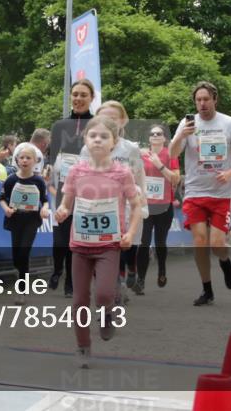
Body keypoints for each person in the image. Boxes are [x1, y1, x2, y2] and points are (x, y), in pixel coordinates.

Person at [55, 116, 143, 369]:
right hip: (80, 245)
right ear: (85, 140)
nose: (97, 140)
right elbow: (66, 203)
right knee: (79, 300)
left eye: (104, 136)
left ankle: (107, 313)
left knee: (104, 294)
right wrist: (61, 211)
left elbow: (136, 206)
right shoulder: (76, 171)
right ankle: (83, 346)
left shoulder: (122, 172)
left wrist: (130, 233)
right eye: (93, 135)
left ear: (114, 142)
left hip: (108, 244)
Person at [169, 81, 231, 306]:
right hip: (194, 191)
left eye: (206, 99)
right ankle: (207, 289)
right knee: (200, 241)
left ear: (215, 99)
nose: (202, 104)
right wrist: (181, 135)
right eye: (198, 100)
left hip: (221, 193)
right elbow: (172, 153)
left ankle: (224, 261)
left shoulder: (229, 124)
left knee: (216, 243)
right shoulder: (188, 124)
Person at [77, 100, 146, 300]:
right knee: (107, 249)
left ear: (123, 121)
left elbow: (139, 176)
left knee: (127, 246)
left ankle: (130, 269)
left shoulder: (131, 149)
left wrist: (143, 202)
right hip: (99, 207)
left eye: (112, 118)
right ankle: (115, 287)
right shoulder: (87, 148)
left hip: (126, 206)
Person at [47, 79, 95, 297]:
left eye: (83, 94)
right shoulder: (59, 125)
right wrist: (48, 168)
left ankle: (71, 283)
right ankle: (58, 269)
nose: (78, 98)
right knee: (60, 239)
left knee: (77, 239)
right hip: (64, 188)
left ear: (91, 98)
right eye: (75, 94)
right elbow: (52, 154)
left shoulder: (98, 125)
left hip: (89, 192)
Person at [0, 142, 50, 304]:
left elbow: (45, 200)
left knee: (24, 252)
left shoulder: (38, 181)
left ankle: (21, 289)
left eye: (28, 158)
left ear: (35, 161)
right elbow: (0, 197)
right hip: (15, 219)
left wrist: (45, 209)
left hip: (31, 220)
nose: (25, 160)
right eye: (22, 157)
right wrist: (6, 208)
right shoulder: (11, 179)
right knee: (16, 256)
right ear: (17, 160)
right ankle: (20, 273)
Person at [135, 125, 180, 293]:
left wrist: (160, 165)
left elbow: (176, 179)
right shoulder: (141, 155)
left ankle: (161, 269)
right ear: (149, 138)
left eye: (158, 134)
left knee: (160, 242)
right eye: (152, 133)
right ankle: (140, 280)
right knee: (143, 243)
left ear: (164, 138)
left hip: (163, 206)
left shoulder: (170, 154)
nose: (155, 136)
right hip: (145, 205)